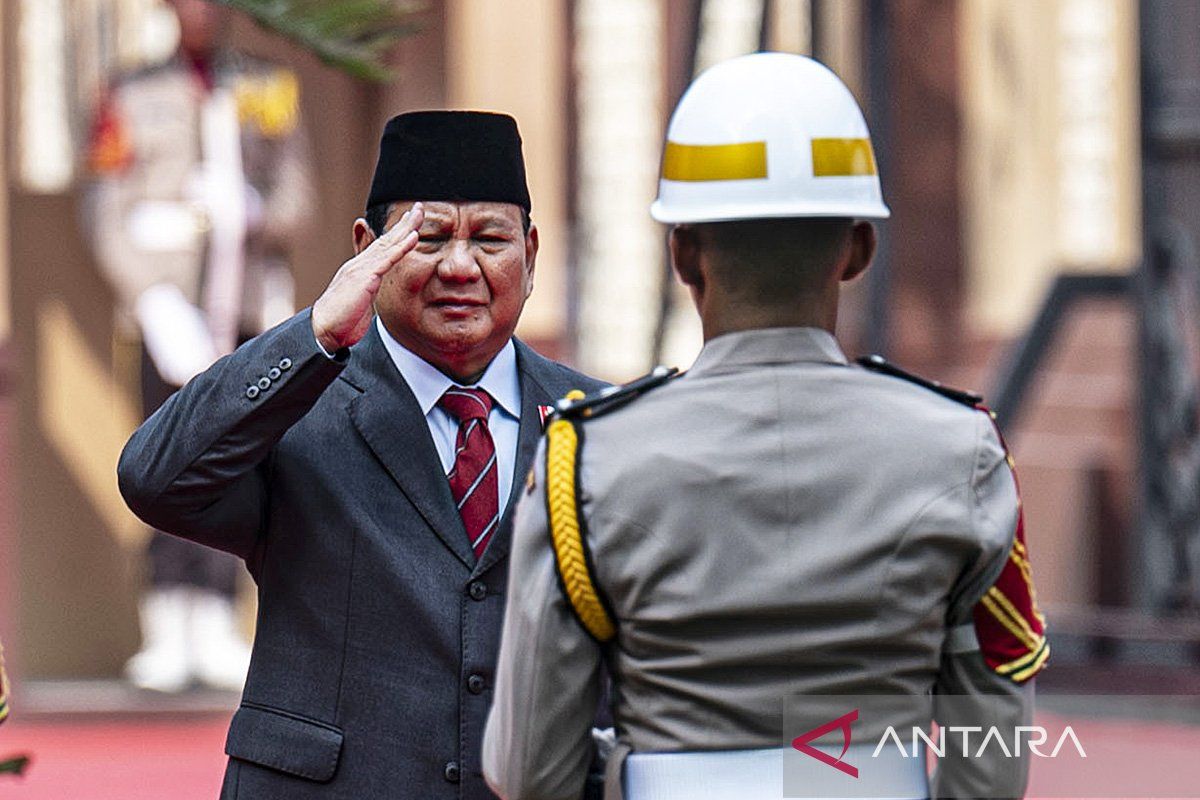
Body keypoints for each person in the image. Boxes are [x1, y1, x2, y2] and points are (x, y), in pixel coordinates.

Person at [483, 53, 1047, 800]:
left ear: (683, 253)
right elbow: (994, 760)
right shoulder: (962, 451)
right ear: (858, 248)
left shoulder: (582, 464)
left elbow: (529, 775)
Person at [118, 110, 606, 798]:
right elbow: (155, 479)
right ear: (366, 247)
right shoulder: (298, 407)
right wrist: (316, 331)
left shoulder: (600, 422)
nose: (460, 266)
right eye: (427, 237)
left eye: (490, 239)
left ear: (529, 254)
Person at [85, 0, 315, 692]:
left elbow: (297, 196)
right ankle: (168, 617)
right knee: (163, 452)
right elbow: (105, 208)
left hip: (242, 302)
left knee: (238, 455)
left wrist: (254, 208)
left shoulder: (266, 86)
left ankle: (218, 612)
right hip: (167, 305)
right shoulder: (130, 91)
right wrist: (149, 296)